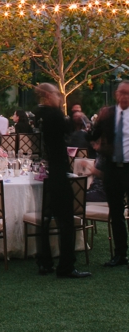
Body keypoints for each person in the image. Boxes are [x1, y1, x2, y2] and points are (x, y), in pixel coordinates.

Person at [33, 83, 90, 278]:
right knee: (66, 221)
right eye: (57, 94)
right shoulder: (54, 115)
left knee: (47, 218)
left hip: (47, 170)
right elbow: (68, 131)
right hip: (58, 171)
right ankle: (66, 266)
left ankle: (45, 261)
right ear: (49, 95)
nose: (60, 97)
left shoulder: (38, 115)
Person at [89, 80, 129, 268]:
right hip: (112, 169)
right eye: (121, 92)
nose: (124, 96)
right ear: (116, 94)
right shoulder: (108, 114)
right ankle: (121, 254)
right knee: (116, 212)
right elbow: (93, 135)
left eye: (128, 93)